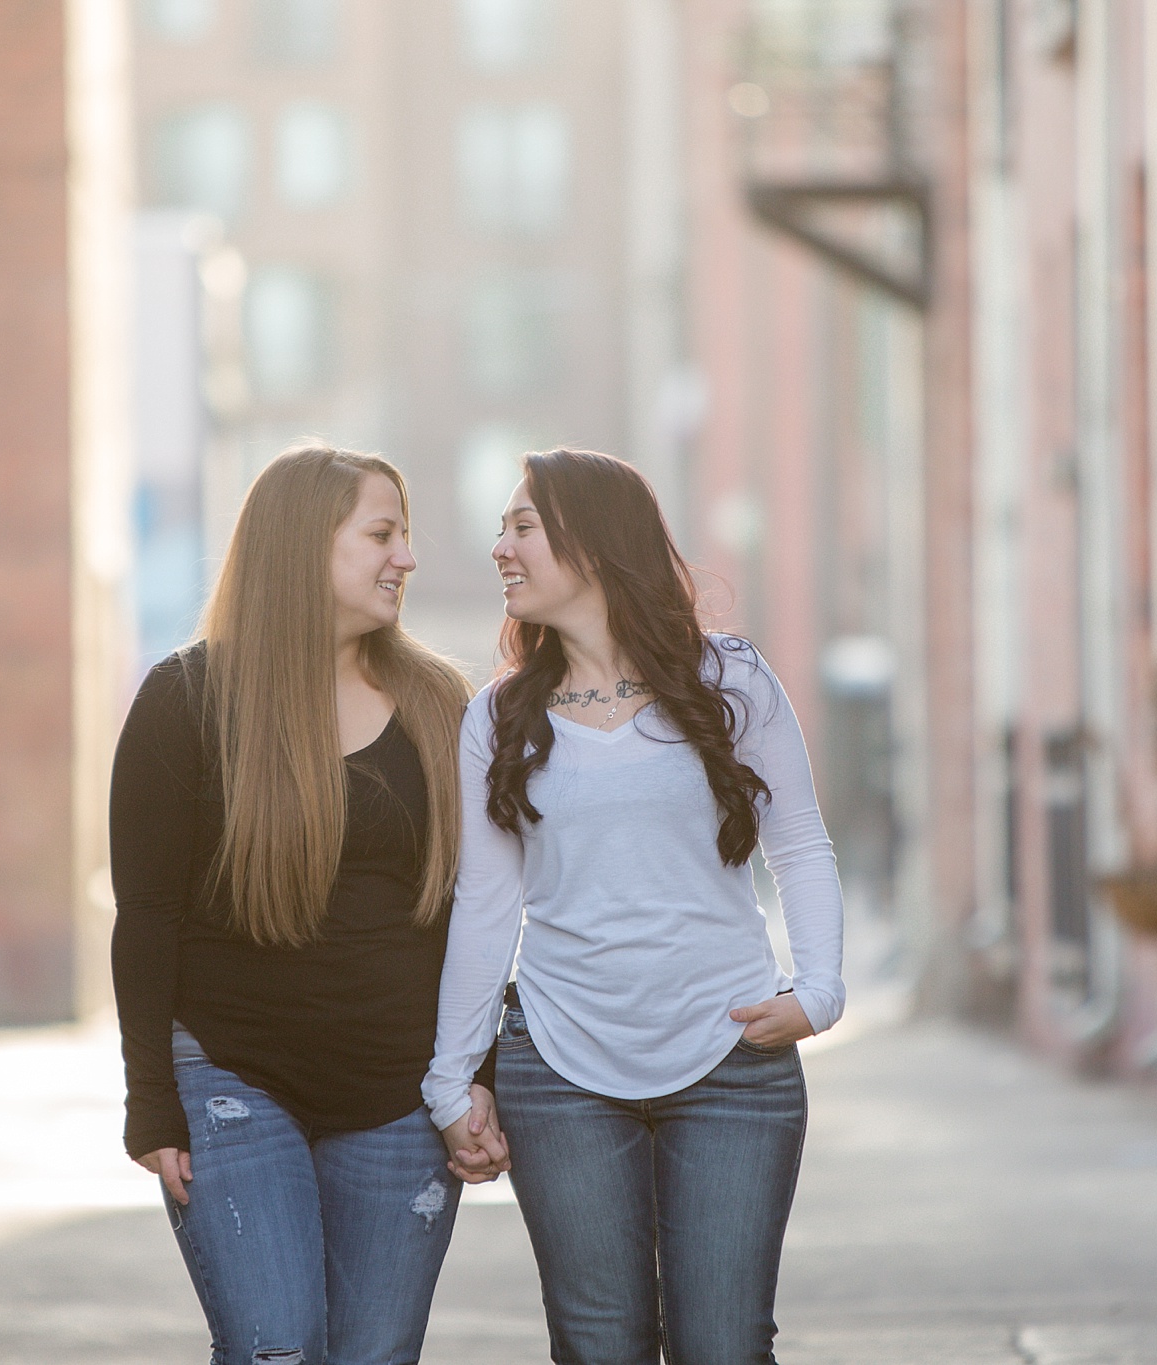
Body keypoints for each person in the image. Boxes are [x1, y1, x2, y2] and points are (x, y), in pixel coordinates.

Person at [425, 448, 847, 1364]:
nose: (500, 547)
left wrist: (819, 989)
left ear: (595, 540)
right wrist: (451, 1079)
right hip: (560, 1069)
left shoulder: (730, 681)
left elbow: (802, 842)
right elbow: (485, 906)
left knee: (726, 1345)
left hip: (734, 1057)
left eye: (522, 526)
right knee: (598, 1346)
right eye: (502, 528)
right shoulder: (495, 719)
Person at [110, 447, 506, 1365]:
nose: (406, 557)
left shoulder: (442, 705)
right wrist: (151, 1103)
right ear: (301, 547)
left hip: (399, 1100)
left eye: (404, 536)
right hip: (230, 1079)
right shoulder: (186, 700)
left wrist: (475, 1070)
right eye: (381, 535)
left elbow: (472, 914)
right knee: (275, 1348)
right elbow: (147, 915)